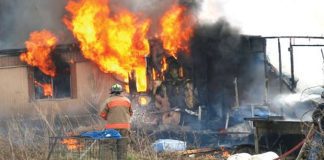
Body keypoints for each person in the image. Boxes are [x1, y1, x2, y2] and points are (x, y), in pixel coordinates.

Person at [99, 84, 132, 160]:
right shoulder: (127, 101)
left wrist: (109, 118)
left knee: (107, 147)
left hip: (111, 128)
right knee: (122, 148)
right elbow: (130, 113)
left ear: (112, 92)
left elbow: (102, 114)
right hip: (125, 128)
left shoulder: (108, 101)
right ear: (121, 92)